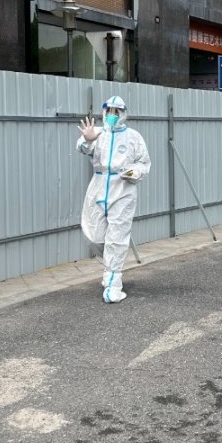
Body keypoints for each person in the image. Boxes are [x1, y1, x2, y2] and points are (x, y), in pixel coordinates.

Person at [77, 95, 151, 304]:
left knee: (117, 237)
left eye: (116, 111)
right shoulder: (98, 133)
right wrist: (88, 139)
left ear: (123, 113)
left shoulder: (133, 137)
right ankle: (110, 267)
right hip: (99, 186)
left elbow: (144, 162)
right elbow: (82, 147)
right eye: (108, 111)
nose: (112, 115)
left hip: (123, 189)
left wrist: (133, 172)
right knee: (93, 235)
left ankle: (113, 285)